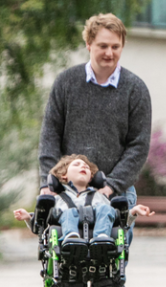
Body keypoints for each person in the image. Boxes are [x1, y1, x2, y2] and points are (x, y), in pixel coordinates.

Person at [38, 13, 151, 252]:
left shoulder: (136, 89)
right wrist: (48, 183)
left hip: (116, 194)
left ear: (123, 46)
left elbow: (138, 146)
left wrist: (110, 186)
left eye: (115, 46)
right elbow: (50, 135)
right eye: (102, 46)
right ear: (88, 44)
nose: (109, 53)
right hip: (68, 195)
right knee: (67, 266)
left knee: (109, 271)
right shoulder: (66, 82)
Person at [14, 154, 154, 244]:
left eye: (86, 167)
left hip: (98, 238)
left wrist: (133, 212)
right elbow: (42, 224)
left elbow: (118, 221)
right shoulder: (59, 198)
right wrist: (28, 217)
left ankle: (101, 239)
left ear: (91, 177)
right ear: (64, 175)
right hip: (67, 242)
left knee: (106, 209)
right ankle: (71, 237)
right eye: (77, 165)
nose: (83, 166)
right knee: (68, 212)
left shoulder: (99, 197)